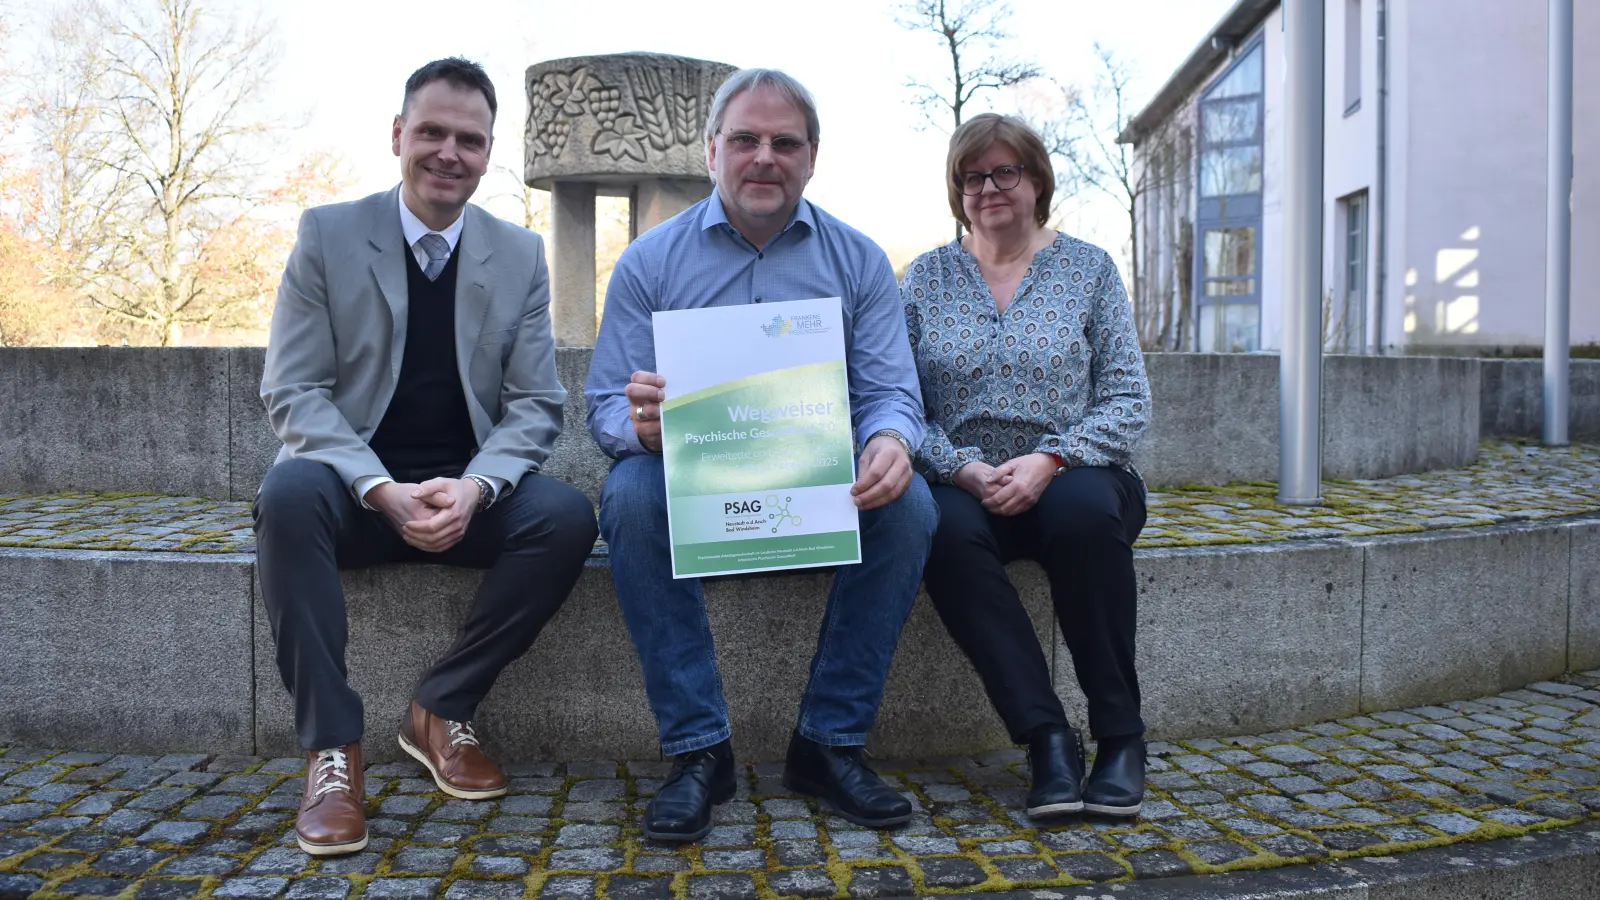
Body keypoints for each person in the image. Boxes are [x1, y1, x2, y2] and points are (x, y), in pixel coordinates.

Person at [255, 57, 598, 856]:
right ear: (398, 135)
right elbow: (293, 390)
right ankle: (332, 753)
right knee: (288, 495)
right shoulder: (328, 235)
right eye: (433, 132)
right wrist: (379, 487)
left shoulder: (519, 254)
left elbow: (536, 404)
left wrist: (476, 488)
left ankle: (441, 707)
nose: (449, 153)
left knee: (567, 515)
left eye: (469, 140)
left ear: (488, 154)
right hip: (352, 492)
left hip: (463, 496)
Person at [584, 68, 937, 842]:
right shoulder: (649, 262)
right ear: (711, 151)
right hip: (693, 471)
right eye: (745, 139)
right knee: (631, 495)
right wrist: (640, 428)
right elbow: (605, 402)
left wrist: (888, 441)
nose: (764, 157)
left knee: (911, 503)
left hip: (818, 476)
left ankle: (829, 743)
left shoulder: (860, 261)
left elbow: (891, 392)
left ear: (813, 156)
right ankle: (699, 751)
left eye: (785, 142)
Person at [900, 113, 1152, 818]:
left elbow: (1129, 398)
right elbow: (897, 401)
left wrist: (1052, 457)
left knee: (1082, 515)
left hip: (1078, 471)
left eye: (1004, 171)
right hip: (964, 479)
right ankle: (1046, 739)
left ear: (1037, 179)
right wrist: (959, 467)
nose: (988, 188)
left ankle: (1121, 736)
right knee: (935, 527)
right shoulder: (925, 278)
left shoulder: (1089, 269)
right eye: (972, 177)